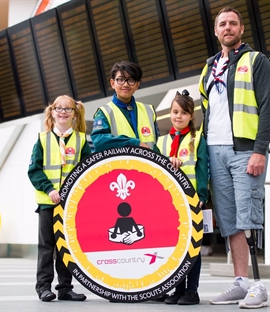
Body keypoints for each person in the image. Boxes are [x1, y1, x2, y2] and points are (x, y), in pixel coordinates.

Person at [199, 6, 270, 309]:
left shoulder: (257, 61)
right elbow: (209, 113)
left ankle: (258, 285)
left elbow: (269, 109)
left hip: (246, 151)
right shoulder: (208, 68)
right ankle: (241, 283)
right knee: (230, 222)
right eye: (222, 24)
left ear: (241, 29)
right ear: (216, 31)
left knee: (249, 216)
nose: (228, 27)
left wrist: (260, 150)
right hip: (215, 151)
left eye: (233, 23)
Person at [28, 95, 91, 302]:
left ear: (75, 114)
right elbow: (34, 170)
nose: (63, 112)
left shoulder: (82, 140)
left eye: (68, 109)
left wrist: (73, 193)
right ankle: (44, 287)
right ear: (52, 112)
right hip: (48, 204)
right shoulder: (42, 139)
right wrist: (49, 189)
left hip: (70, 205)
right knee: (46, 247)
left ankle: (65, 288)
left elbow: (87, 170)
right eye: (59, 108)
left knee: (66, 247)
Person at [156, 90, 208, 305]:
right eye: (175, 112)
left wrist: (203, 195)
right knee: (176, 247)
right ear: (170, 113)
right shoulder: (161, 142)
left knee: (193, 247)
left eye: (184, 113)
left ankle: (192, 290)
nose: (179, 116)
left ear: (191, 116)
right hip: (169, 204)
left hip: (192, 201)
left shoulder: (197, 140)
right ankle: (178, 289)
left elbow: (204, 168)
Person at [91, 61, 159, 152]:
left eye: (131, 80)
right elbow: (98, 140)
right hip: (120, 166)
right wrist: (133, 143)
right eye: (121, 80)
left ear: (137, 85)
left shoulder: (149, 110)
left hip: (147, 165)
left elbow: (157, 146)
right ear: (112, 83)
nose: (126, 84)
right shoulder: (104, 112)